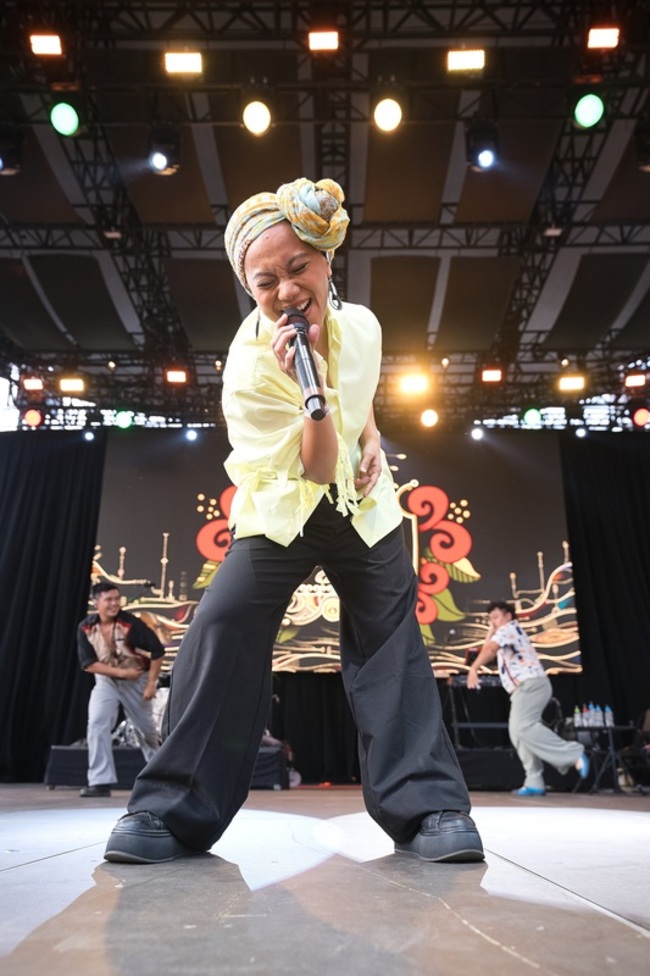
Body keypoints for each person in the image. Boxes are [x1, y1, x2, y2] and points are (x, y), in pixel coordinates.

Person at [104, 177, 484, 864]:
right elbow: (314, 467)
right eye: (265, 281)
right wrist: (315, 393)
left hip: (363, 505)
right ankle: (173, 810)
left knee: (391, 636)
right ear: (248, 289)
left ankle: (429, 807)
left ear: (326, 259)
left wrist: (371, 435)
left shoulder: (362, 325)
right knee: (224, 623)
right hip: (285, 505)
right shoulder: (250, 370)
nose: (286, 289)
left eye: (297, 266)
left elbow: (360, 395)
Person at [467, 600, 590, 795]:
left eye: (496, 617)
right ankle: (534, 781)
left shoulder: (508, 628)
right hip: (525, 688)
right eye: (491, 619)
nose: (494, 622)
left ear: (508, 616)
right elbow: (487, 647)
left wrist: (473, 669)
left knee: (523, 727)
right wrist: (491, 629)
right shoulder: (505, 632)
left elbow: (489, 650)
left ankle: (573, 754)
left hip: (531, 685)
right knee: (517, 733)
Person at [77, 581, 165, 797]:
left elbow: (157, 651)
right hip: (106, 681)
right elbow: (89, 664)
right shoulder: (86, 628)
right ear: (96, 602)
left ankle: (162, 778)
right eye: (108, 599)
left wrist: (151, 684)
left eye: (117, 598)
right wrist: (122, 673)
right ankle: (100, 782)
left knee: (147, 731)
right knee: (97, 724)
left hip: (136, 682)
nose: (114, 603)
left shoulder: (131, 624)